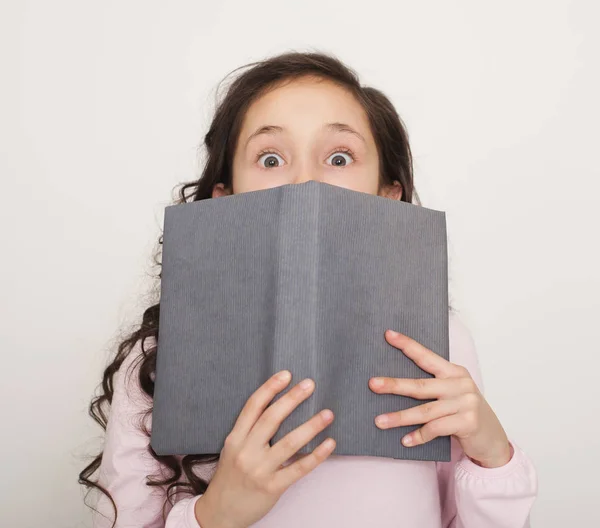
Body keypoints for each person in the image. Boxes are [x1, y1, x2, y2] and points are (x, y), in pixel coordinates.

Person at [79, 51, 538, 528]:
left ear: (388, 195)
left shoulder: (441, 343)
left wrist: (493, 457)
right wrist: (214, 514)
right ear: (225, 197)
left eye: (339, 157)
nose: (304, 181)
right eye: (271, 158)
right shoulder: (157, 358)